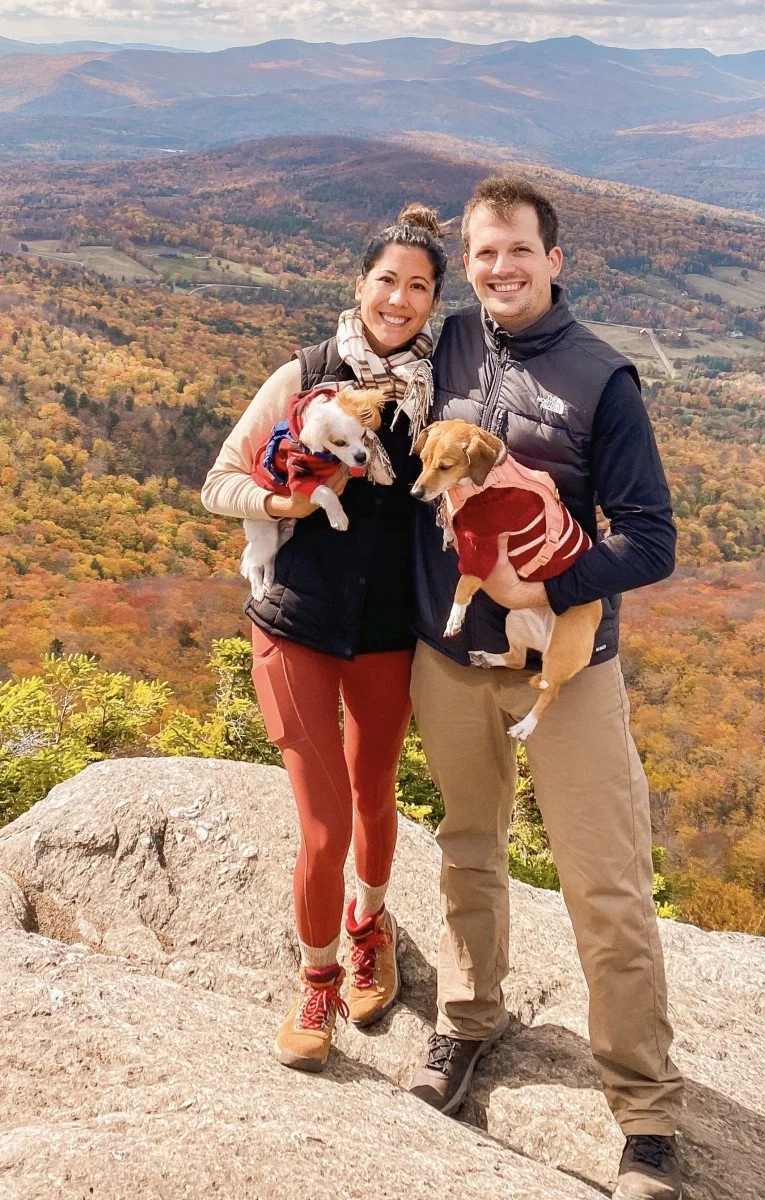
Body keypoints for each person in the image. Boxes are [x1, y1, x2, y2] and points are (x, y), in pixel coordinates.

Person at [408, 177, 684, 1200]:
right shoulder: (451, 346)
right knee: (467, 852)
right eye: (483, 252)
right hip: (450, 663)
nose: (500, 268)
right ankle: (467, 1026)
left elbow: (650, 540)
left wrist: (550, 582)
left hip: (565, 677)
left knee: (606, 890)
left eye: (518, 250)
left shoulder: (601, 378)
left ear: (553, 258)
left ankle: (646, 1113)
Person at [201, 204, 446, 1071]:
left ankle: (368, 923)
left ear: (433, 302)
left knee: (375, 794)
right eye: (388, 279)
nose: (399, 298)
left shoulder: (440, 396)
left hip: (388, 633)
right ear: (360, 284)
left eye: (418, 286)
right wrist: (286, 504)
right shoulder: (304, 374)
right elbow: (218, 483)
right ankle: (318, 980)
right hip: (296, 626)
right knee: (322, 826)